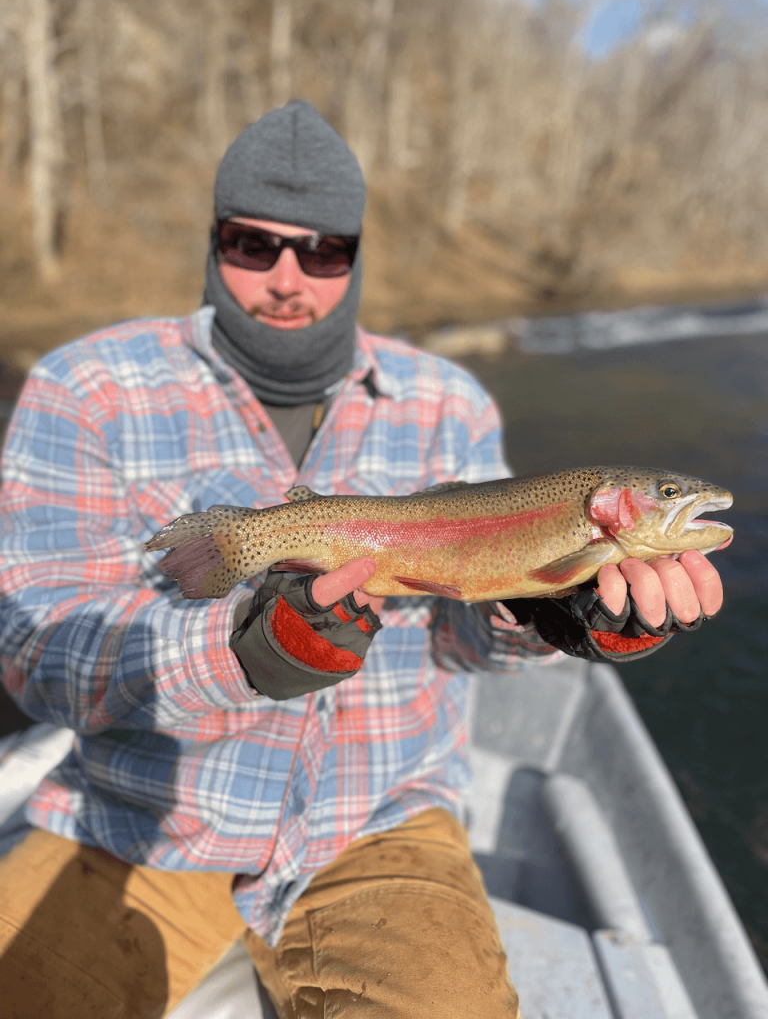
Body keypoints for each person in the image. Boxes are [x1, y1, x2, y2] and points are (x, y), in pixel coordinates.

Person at [0, 101, 723, 1018]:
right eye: (252, 244)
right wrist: (241, 655)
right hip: (137, 822)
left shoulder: (449, 401)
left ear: (356, 252)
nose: (288, 276)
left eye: (324, 250)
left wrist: (561, 615)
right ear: (213, 241)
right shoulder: (85, 387)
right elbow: (33, 655)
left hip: (379, 830)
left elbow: (467, 636)